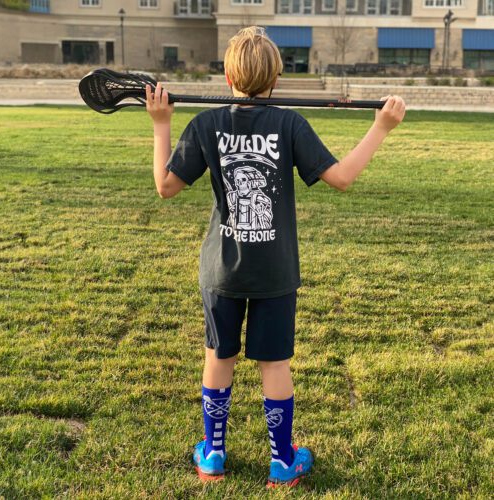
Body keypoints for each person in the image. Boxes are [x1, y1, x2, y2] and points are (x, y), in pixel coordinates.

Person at [146, 26, 405, 488]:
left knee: (219, 356)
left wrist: (160, 123)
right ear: (276, 79)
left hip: (222, 270)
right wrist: (381, 128)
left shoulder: (205, 124)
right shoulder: (289, 124)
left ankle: (213, 456)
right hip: (275, 270)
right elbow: (342, 178)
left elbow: (166, 187)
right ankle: (282, 462)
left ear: (228, 77)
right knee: (274, 363)